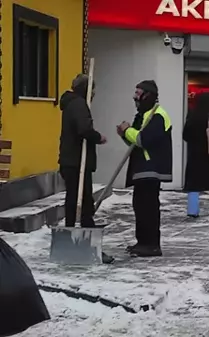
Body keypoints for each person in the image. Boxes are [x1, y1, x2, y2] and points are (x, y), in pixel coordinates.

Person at [57, 74, 113, 264]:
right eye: (93, 89)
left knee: (74, 202)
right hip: (76, 163)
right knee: (83, 204)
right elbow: (84, 129)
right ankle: (88, 249)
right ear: (86, 89)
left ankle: (71, 246)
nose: (95, 93)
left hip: (70, 161)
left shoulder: (71, 103)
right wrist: (99, 137)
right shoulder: (79, 104)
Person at [117, 80, 173, 257]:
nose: (135, 97)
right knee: (139, 206)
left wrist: (128, 132)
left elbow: (143, 140)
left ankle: (152, 245)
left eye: (138, 93)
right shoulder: (143, 114)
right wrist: (124, 134)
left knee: (148, 207)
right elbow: (135, 142)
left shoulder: (158, 115)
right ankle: (142, 242)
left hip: (151, 168)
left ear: (147, 95)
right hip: (141, 168)